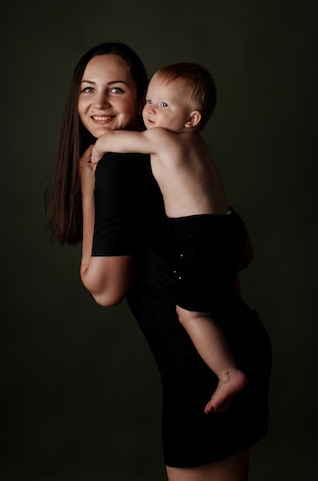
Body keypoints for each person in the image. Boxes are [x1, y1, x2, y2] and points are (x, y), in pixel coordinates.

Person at [46, 42, 272, 481]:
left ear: (140, 94)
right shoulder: (168, 152)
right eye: (87, 89)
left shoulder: (115, 164)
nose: (99, 103)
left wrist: (87, 181)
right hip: (234, 342)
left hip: (202, 371)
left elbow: (105, 288)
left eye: (116, 89)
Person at [91, 62, 249, 415]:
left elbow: (116, 139)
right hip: (227, 225)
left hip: (196, 235)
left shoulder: (161, 139)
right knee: (225, 288)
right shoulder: (198, 144)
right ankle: (236, 319)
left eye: (164, 105)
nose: (150, 109)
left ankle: (228, 373)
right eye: (149, 100)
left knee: (190, 314)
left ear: (191, 119)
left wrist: (99, 149)